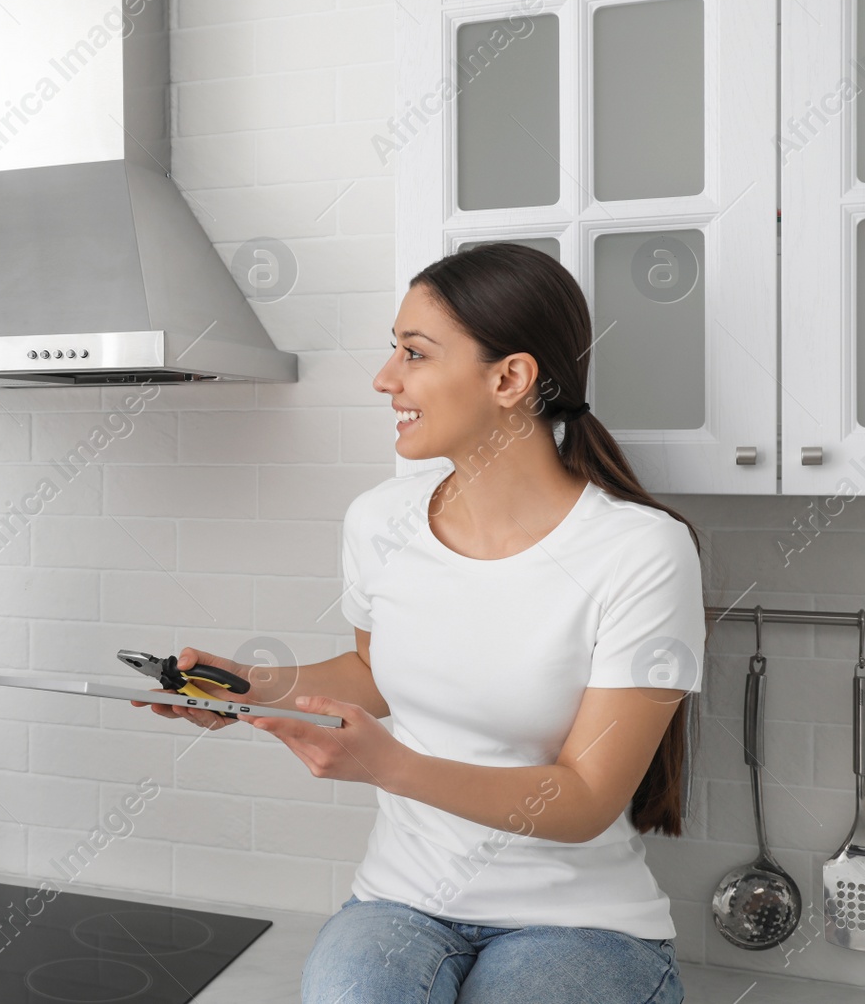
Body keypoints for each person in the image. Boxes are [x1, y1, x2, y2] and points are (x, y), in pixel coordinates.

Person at [139, 243, 702, 1004]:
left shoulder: (640, 550)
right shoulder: (380, 520)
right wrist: (245, 687)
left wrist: (387, 765)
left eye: (414, 352)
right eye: (392, 350)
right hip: (402, 904)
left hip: (580, 923)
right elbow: (375, 673)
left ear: (510, 378)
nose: (385, 378)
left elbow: (585, 799)